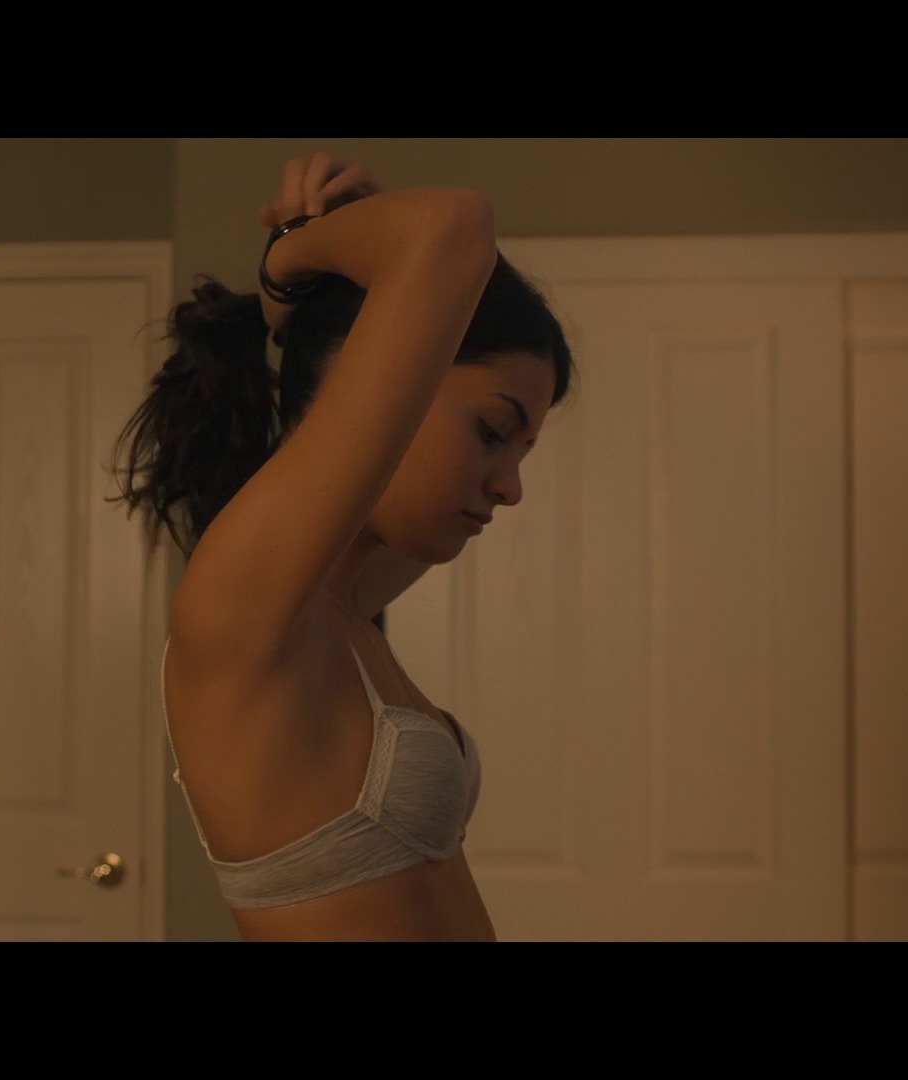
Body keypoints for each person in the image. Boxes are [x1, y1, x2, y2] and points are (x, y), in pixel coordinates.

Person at [110, 154, 576, 941]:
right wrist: (290, 262)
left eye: (521, 451)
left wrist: (351, 267)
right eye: (493, 432)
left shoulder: (348, 599)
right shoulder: (252, 606)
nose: (510, 486)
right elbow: (452, 230)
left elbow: (440, 260)